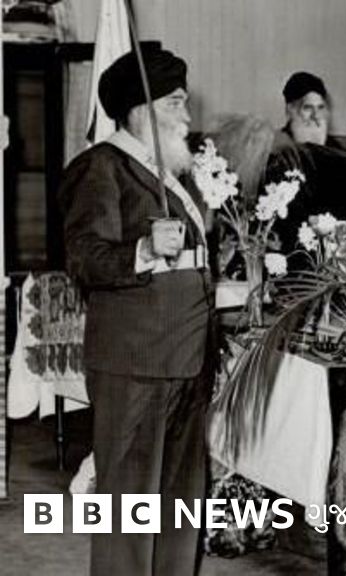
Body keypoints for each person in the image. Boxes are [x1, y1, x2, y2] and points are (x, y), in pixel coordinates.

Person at [59, 46, 214, 575]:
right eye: (175, 103)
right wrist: (143, 250)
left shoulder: (171, 174)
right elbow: (84, 258)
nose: (187, 116)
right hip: (136, 365)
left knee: (180, 503)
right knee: (129, 505)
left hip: (187, 361)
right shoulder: (100, 167)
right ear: (140, 111)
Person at [281, 71, 331, 146]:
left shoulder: (333, 146)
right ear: (291, 110)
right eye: (308, 108)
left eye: (320, 107)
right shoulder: (279, 147)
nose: (315, 116)